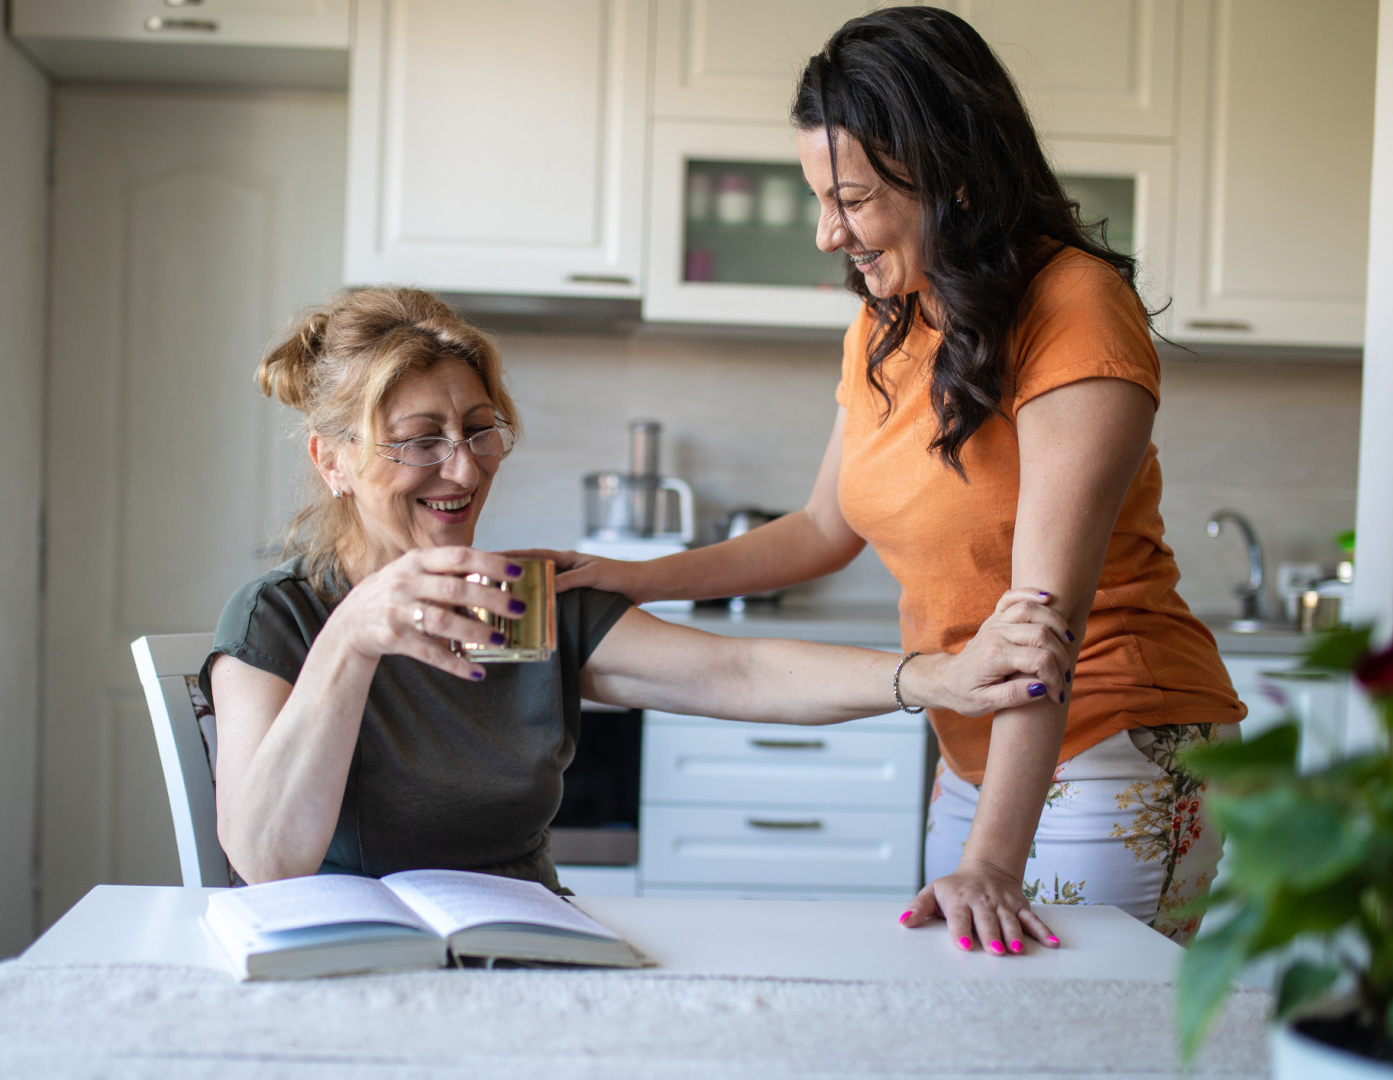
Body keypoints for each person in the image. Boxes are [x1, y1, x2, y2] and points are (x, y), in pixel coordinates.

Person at [540, 7, 1244, 951]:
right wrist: (630, 573)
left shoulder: (1073, 306)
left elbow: (1044, 623)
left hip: (1114, 743)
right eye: (819, 200)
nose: (830, 235)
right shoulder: (891, 317)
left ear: (951, 176)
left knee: (1083, 1039)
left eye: (856, 199)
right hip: (972, 744)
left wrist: (992, 861)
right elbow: (823, 527)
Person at [201, 286, 1072, 901]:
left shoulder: (523, 602)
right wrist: (354, 638)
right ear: (335, 461)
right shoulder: (281, 618)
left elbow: (742, 675)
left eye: (478, 430)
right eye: (418, 440)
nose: (463, 469)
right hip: (341, 961)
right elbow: (268, 859)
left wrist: (934, 680)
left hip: (527, 951)